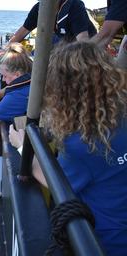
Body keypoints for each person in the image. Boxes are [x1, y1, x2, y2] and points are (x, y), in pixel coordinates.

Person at [9, 41, 127, 255]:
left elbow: (57, 184)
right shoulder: (120, 116)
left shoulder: (83, 143)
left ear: (61, 89)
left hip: (109, 242)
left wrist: (19, 145)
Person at [9, 0, 97, 44]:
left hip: (80, 46)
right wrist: (5, 50)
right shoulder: (39, 9)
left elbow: (83, 41)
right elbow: (23, 31)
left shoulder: (74, 6)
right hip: (61, 42)